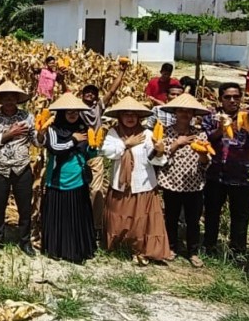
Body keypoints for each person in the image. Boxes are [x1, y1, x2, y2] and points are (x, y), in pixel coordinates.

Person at [100, 96, 170, 265]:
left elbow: (154, 158)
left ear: (139, 117)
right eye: (126, 114)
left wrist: (159, 151)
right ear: (120, 117)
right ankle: (120, 246)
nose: (130, 118)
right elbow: (108, 153)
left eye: (133, 115)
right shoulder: (113, 133)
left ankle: (142, 251)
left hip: (143, 183)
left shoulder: (147, 134)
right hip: (121, 184)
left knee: (141, 221)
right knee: (120, 218)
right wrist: (127, 144)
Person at [202, 83, 249, 257]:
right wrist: (221, 129)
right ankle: (210, 247)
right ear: (220, 99)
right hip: (216, 173)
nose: (232, 100)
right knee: (212, 213)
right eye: (227, 97)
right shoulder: (211, 117)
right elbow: (206, 139)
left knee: (240, 215)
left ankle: (237, 251)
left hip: (241, 174)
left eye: (236, 96)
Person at [39, 92, 98, 263]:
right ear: (62, 113)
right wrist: (73, 139)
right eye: (68, 111)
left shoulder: (84, 129)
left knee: (76, 215)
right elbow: (55, 148)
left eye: (75, 111)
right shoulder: (53, 129)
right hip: (58, 179)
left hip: (77, 178)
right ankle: (56, 249)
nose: (72, 114)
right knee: (59, 215)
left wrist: (93, 148)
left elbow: (88, 153)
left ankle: (77, 250)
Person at [0, 81, 38, 256]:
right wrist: (8, 135)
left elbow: (36, 140)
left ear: (17, 99)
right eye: (5, 97)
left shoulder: (27, 117)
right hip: (0, 168)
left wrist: (42, 133)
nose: (8, 100)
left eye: (12, 97)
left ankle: (25, 241)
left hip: (22, 168)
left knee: (24, 207)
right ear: (0, 99)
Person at [156, 94, 212, 268]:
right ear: (175, 113)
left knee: (193, 220)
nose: (185, 114)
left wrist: (203, 155)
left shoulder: (200, 134)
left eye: (189, 111)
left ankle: (193, 252)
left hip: (194, 183)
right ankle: (171, 247)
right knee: (171, 217)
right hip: (171, 181)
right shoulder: (166, 132)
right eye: (181, 110)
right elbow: (159, 158)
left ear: (193, 114)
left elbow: (206, 161)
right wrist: (176, 144)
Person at [80, 61, 130, 240]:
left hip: (95, 153)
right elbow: (65, 94)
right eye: (87, 92)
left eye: (93, 93)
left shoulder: (98, 107)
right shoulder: (76, 108)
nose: (90, 95)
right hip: (77, 153)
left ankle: (96, 226)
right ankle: (79, 223)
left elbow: (112, 92)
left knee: (96, 190)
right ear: (82, 95)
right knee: (78, 189)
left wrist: (121, 73)